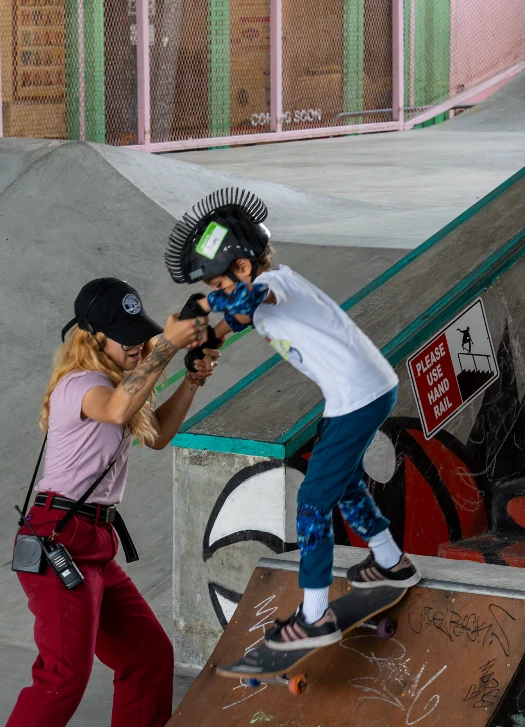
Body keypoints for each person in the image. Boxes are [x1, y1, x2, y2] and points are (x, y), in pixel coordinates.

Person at [0, 278, 217, 727]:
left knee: (149, 656)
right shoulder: (81, 384)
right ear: (92, 338)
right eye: (125, 339)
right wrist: (168, 349)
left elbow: (156, 436)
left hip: (96, 544)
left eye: (140, 337)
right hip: (59, 539)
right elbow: (123, 403)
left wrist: (191, 380)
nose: (136, 346)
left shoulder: (118, 381)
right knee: (63, 675)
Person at [164, 189, 419, 669]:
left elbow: (255, 297)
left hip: (356, 399)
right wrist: (211, 338)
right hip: (360, 394)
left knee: (311, 503)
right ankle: (389, 560)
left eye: (219, 284)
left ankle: (315, 615)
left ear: (243, 267)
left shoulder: (278, 283)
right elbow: (242, 313)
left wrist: (199, 307)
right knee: (343, 486)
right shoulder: (259, 293)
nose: (219, 296)